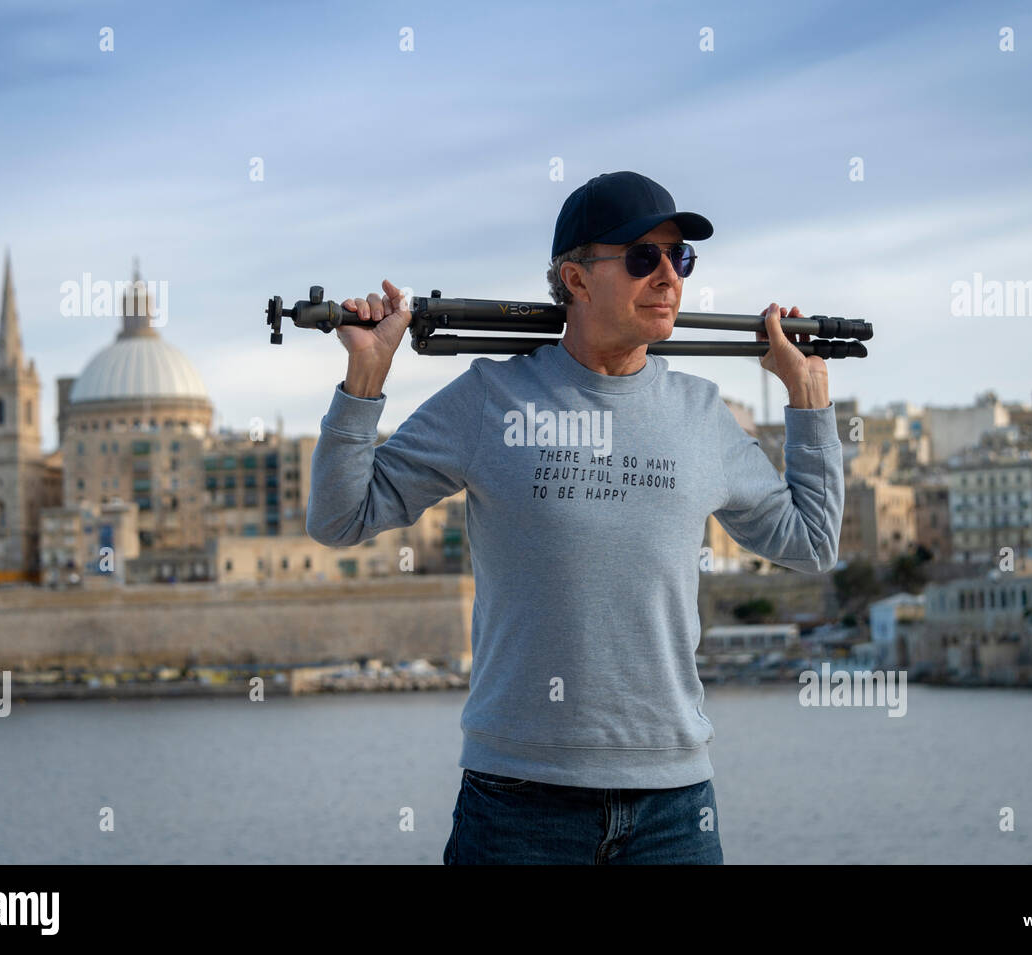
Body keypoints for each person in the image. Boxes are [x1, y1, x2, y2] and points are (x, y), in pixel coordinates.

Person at [306, 170, 844, 864]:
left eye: (678, 258)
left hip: (675, 810)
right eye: (642, 257)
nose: (668, 277)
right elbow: (339, 518)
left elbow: (811, 542)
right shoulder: (489, 399)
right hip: (519, 807)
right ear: (577, 279)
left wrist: (808, 399)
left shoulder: (703, 416)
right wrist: (365, 380)